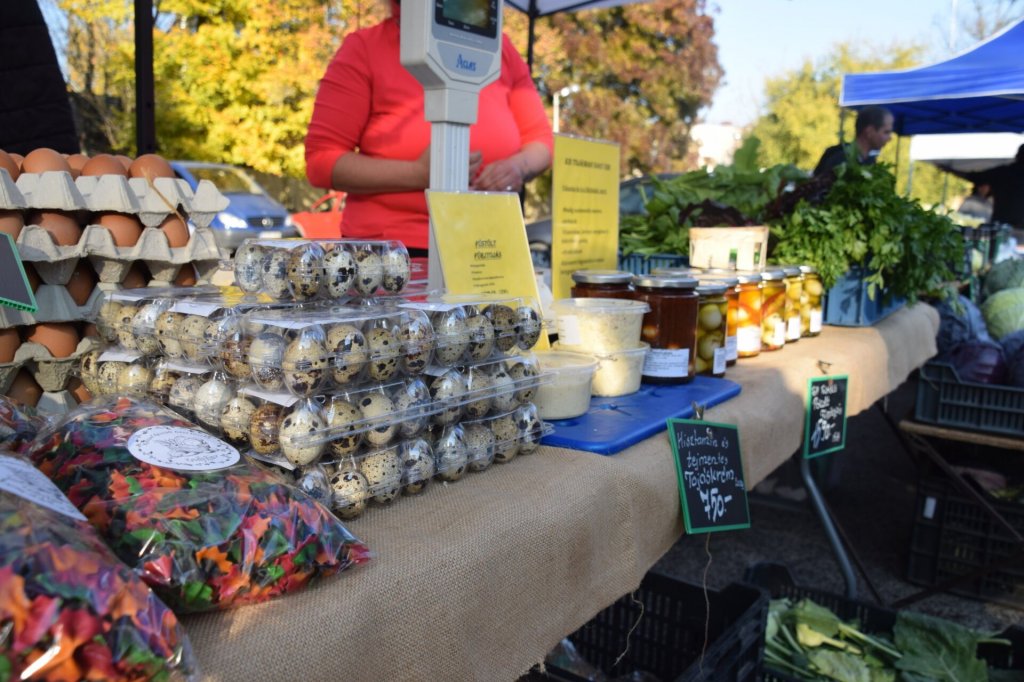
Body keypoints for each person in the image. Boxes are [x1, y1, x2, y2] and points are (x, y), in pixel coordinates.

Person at [305, 1, 554, 252]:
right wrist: (418, 174)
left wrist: (517, 168)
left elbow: (542, 141)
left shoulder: (500, 49)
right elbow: (322, 161)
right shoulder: (365, 48)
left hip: (490, 247)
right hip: (394, 254)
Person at [944, 145, 1024, 230]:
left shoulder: (1003, 172)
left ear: (1017, 156)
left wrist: (949, 169)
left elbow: (973, 176)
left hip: (1001, 225)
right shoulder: (1003, 172)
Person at [812, 106, 894, 177]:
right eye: (886, 132)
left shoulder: (870, 163)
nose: (890, 138)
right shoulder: (839, 160)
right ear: (869, 131)